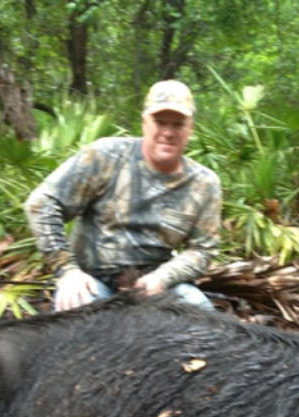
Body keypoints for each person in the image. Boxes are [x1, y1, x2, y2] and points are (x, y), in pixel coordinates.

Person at [24, 80, 222, 311]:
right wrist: (67, 271)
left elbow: (202, 250)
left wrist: (162, 278)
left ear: (190, 129)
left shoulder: (204, 183)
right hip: (92, 280)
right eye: (160, 122)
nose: (168, 133)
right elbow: (41, 204)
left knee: (203, 317)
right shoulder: (105, 156)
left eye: (178, 125)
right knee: (77, 315)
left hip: (157, 284)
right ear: (145, 123)